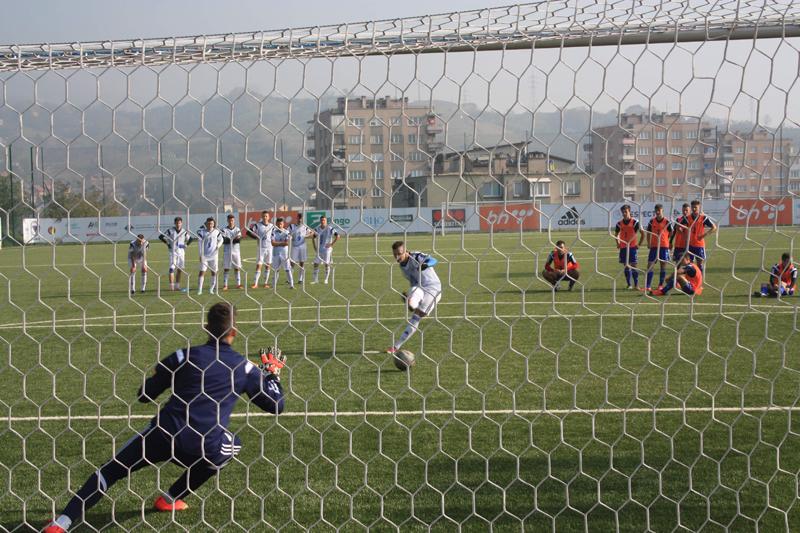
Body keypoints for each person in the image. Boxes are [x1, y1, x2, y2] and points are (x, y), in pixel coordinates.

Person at [43, 303, 287, 533]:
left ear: (206, 328)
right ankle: (170, 498)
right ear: (234, 331)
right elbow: (277, 405)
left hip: (163, 435)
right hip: (203, 446)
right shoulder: (244, 368)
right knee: (233, 445)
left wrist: (166, 376)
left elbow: (145, 395)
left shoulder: (183, 356)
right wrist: (271, 375)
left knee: (110, 471)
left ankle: (61, 524)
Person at [386, 241, 442, 354]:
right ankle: (411, 303)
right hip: (419, 287)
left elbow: (434, 260)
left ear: (406, 251)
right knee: (413, 291)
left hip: (433, 288)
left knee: (418, 315)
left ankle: (413, 305)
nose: (397, 257)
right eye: (395, 254)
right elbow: (414, 283)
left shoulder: (416, 256)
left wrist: (426, 264)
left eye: (399, 253)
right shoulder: (402, 266)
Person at [641, 203, 672, 292]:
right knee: (650, 266)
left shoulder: (667, 222)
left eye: (659, 210)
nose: (658, 212)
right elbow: (648, 232)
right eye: (656, 211)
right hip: (654, 247)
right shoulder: (651, 221)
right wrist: (648, 243)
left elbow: (672, 232)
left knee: (663, 266)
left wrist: (667, 240)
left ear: (662, 211)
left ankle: (660, 285)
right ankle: (648, 286)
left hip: (663, 247)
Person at [613, 204, 644, 290]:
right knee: (626, 266)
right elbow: (616, 234)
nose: (624, 213)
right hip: (623, 247)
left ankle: (636, 285)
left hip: (632, 247)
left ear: (629, 212)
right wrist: (618, 243)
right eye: (623, 212)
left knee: (634, 265)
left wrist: (639, 244)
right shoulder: (619, 224)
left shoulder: (635, 222)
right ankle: (629, 284)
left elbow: (642, 234)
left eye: (625, 212)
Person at [159, 216, 193, 292]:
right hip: (173, 252)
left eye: (180, 223)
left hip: (181, 252)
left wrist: (186, 245)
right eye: (177, 223)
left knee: (180, 269)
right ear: (174, 223)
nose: (178, 224)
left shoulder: (184, 231)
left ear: (182, 223)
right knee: (171, 269)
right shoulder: (170, 231)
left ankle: (177, 286)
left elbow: (190, 239)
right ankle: (172, 287)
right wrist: (167, 243)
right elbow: (161, 237)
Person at [245, 210, 274, 289]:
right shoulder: (257, 225)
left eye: (266, 216)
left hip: (270, 248)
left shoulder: (272, 226)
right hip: (261, 248)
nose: (265, 217)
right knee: (259, 265)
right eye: (263, 216)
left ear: (269, 217)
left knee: (268, 265)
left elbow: (274, 235)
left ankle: (265, 283)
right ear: (261, 217)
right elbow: (248, 232)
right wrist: (257, 237)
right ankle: (255, 283)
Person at [687, 199, 716, 273]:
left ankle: (700, 283)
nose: (694, 209)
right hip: (690, 245)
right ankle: (692, 282)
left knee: (699, 264)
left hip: (699, 245)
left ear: (699, 207)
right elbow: (679, 225)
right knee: (689, 265)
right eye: (692, 207)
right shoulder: (688, 218)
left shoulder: (703, 218)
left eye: (695, 207)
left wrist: (704, 235)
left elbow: (714, 227)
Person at [196, 217, 224, 296]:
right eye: (208, 223)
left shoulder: (216, 232)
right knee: (202, 272)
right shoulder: (202, 232)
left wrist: (218, 246)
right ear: (206, 224)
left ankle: (211, 289)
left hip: (214, 255)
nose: (210, 225)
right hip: (204, 255)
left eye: (211, 223)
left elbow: (221, 240)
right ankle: (200, 290)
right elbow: (199, 244)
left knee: (214, 272)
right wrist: (200, 255)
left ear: (214, 224)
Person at [311, 215, 339, 285]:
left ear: (326, 221)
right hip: (319, 250)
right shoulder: (317, 229)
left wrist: (331, 244)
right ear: (320, 221)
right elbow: (313, 237)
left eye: (324, 220)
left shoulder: (330, 228)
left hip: (327, 250)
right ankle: (315, 280)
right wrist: (315, 247)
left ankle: (326, 279)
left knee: (327, 264)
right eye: (321, 220)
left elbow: (338, 236)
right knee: (315, 264)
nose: (322, 221)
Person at [289, 213, 315, 285]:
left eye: (301, 218)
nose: (300, 220)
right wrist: (290, 236)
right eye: (299, 218)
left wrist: (306, 236)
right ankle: (290, 279)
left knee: (302, 262)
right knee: (292, 263)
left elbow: (312, 232)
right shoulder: (292, 226)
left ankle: (300, 279)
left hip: (302, 246)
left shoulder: (304, 226)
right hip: (294, 246)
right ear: (296, 218)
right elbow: (287, 233)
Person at [221, 214, 243, 291]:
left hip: (236, 252)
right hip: (227, 252)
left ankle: (238, 284)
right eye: (229, 220)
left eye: (232, 220)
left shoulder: (237, 229)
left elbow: (238, 240)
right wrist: (233, 239)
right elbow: (224, 241)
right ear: (227, 220)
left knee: (237, 268)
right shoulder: (224, 229)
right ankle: (225, 285)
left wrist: (229, 239)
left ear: (234, 221)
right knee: (226, 268)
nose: (231, 222)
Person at [271, 217, 293, 289]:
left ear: (283, 224)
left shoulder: (287, 232)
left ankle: (291, 285)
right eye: (278, 224)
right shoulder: (273, 232)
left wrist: (278, 243)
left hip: (285, 254)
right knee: (276, 270)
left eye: (281, 224)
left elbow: (287, 243)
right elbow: (273, 243)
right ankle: (273, 286)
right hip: (276, 254)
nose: (279, 225)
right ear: (276, 224)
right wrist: (282, 243)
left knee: (287, 269)